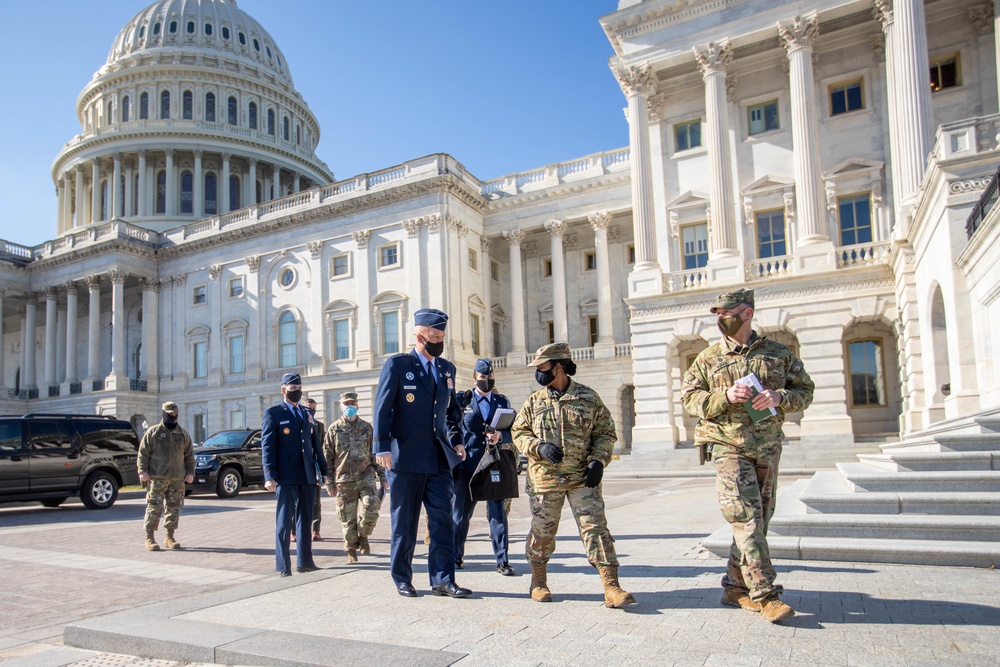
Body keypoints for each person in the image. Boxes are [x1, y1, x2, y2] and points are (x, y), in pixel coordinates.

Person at [680, 288, 814, 623]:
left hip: (767, 446)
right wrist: (724, 395)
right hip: (727, 446)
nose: (721, 318)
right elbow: (690, 399)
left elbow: (805, 391)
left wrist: (778, 397)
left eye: (727, 312)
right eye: (718, 314)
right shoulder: (708, 358)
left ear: (747, 313)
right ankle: (766, 594)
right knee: (745, 519)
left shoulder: (778, 354)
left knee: (758, 521)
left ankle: (734, 586)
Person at [511, 343, 635, 609]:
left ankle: (611, 586)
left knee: (596, 530)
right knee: (542, 533)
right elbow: (518, 433)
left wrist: (599, 461)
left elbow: (606, 433)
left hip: (582, 479)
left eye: (542, 367)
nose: (538, 373)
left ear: (558, 367)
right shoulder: (534, 401)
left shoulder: (588, 398)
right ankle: (539, 581)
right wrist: (538, 447)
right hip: (544, 479)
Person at [373, 308, 471, 599]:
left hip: (438, 459)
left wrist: (457, 441)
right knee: (405, 523)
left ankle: (443, 579)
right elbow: (383, 408)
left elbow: (451, 411)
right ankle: (402, 577)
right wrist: (381, 446)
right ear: (418, 336)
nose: (438, 341)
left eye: (441, 336)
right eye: (433, 336)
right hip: (404, 458)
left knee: (443, 520)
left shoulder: (446, 369)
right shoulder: (398, 365)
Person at [262, 372, 328, 577]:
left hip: (307, 474)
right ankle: (283, 566)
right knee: (284, 522)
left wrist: (323, 470)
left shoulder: (306, 413)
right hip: (286, 475)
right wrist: (269, 475)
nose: (297, 392)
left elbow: (314, 442)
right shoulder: (274, 413)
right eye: (293, 390)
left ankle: (305, 561)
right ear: (283, 390)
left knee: (305, 519)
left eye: (299, 389)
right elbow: (268, 446)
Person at [453, 358, 515, 576]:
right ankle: (455, 556)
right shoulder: (463, 400)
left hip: (492, 464)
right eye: (482, 378)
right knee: (460, 516)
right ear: (474, 379)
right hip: (467, 466)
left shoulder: (502, 401)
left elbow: (511, 429)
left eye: (489, 377)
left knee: (498, 513)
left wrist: (500, 435)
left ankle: (502, 561)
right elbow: (450, 426)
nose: (486, 381)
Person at [324, 391, 388, 563]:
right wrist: (329, 482)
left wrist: (383, 477)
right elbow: (328, 458)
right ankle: (351, 549)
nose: (350, 407)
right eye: (347, 404)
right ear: (341, 407)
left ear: (357, 406)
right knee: (347, 518)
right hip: (343, 480)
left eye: (352, 404)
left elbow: (375, 455)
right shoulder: (334, 429)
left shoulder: (367, 428)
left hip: (365, 476)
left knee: (371, 508)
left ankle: (364, 535)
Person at [137, 401, 194, 551]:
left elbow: (189, 456)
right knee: (154, 508)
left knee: (174, 508)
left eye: (175, 414)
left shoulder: (183, 434)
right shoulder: (153, 432)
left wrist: (190, 473)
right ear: (164, 414)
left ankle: (169, 536)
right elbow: (143, 453)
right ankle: (149, 538)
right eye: (170, 414)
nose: (173, 417)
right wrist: (142, 471)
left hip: (177, 479)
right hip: (157, 478)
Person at [292, 397, 325, 542]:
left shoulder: (319, 425)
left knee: (316, 501)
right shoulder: (296, 422)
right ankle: (294, 531)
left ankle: (315, 530)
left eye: (314, 409)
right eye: (309, 408)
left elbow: (320, 447)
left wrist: (322, 471)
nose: (311, 411)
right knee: (295, 501)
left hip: (313, 467)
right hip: (297, 467)